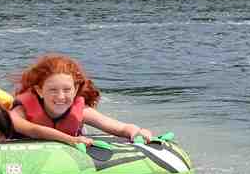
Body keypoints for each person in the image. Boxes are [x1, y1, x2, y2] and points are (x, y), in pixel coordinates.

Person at [11, 55, 154, 142]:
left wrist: (136, 132)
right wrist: (71, 140)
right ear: (39, 91)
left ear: (76, 89)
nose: (61, 96)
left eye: (67, 90)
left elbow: (120, 128)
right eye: (53, 90)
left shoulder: (81, 111)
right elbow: (34, 130)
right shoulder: (21, 110)